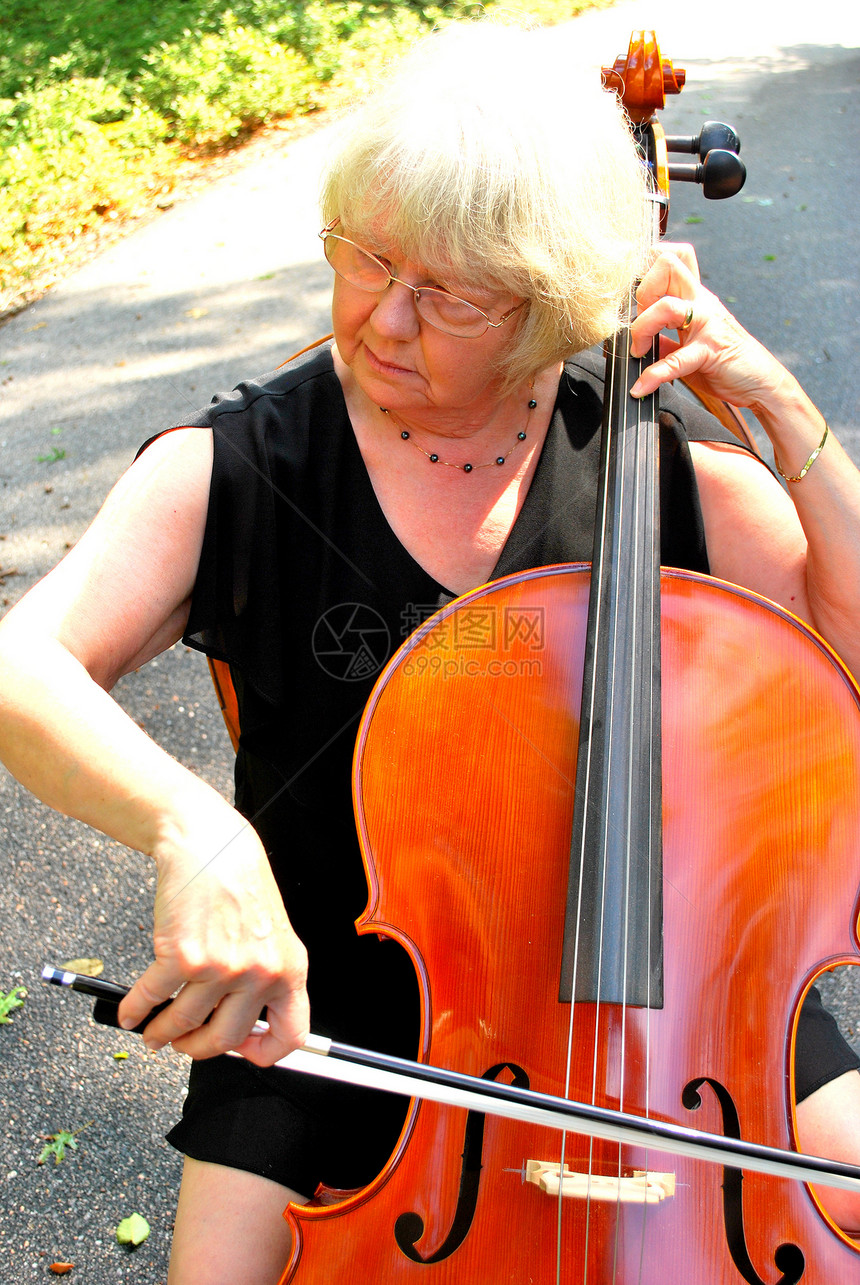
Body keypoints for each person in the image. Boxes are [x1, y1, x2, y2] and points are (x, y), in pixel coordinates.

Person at [1, 20, 860, 1283]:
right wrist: (200, 835)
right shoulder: (240, 470)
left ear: (552, 301)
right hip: (328, 1018)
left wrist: (786, 415)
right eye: (365, 256)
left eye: (450, 292)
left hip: (688, 1023)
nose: (382, 317)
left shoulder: (664, 465)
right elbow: (24, 671)